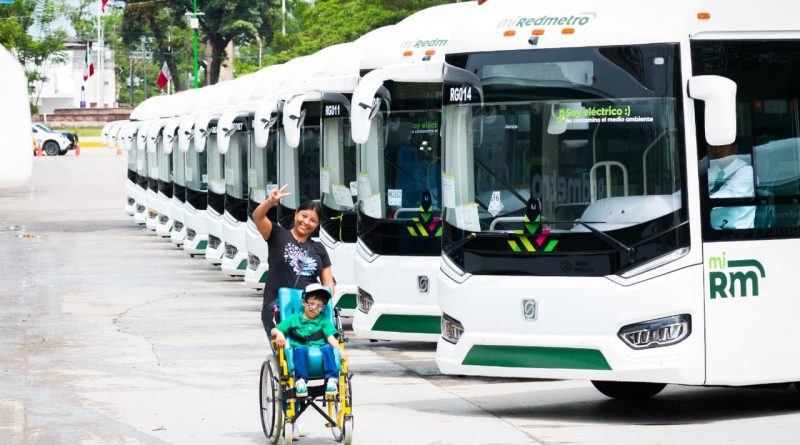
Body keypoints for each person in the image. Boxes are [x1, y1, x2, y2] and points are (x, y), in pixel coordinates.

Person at [252, 184, 335, 333]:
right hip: (278, 308)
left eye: (313, 220)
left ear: (317, 226)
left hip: (309, 310)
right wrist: (270, 201)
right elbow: (257, 217)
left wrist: (323, 301)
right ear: (296, 214)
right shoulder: (277, 235)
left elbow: (328, 283)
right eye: (304, 216)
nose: (306, 222)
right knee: (287, 350)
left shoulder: (319, 248)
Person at [270, 283, 345, 397]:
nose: (314, 308)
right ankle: (300, 381)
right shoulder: (294, 319)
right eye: (311, 304)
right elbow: (274, 330)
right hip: (301, 348)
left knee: (327, 348)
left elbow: (330, 337)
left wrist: (340, 349)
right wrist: (279, 333)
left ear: (322, 308)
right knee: (300, 349)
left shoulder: (323, 321)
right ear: (304, 302)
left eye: (319, 306)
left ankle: (331, 379)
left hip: (320, 348)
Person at [707, 142, 755, 229]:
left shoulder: (747, 172)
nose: (717, 151)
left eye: (721, 147)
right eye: (714, 147)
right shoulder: (712, 170)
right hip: (712, 229)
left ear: (735, 149)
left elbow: (727, 195)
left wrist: (700, 201)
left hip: (737, 234)